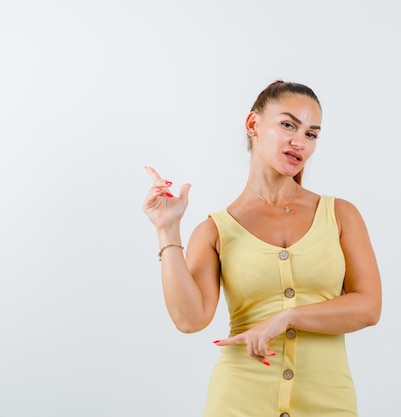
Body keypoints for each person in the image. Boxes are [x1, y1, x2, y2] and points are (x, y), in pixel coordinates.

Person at [142, 80, 382, 417]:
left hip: (329, 402)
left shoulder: (340, 215)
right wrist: (167, 228)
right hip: (239, 400)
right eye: (288, 125)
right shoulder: (214, 231)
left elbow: (369, 307)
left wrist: (288, 317)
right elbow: (190, 319)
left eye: (311, 134)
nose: (299, 142)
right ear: (253, 124)